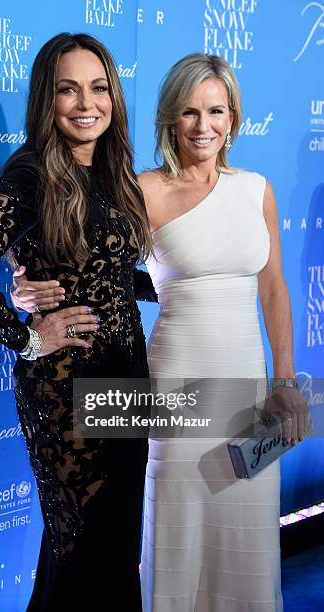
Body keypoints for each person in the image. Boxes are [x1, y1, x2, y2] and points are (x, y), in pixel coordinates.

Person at [0, 33, 156, 612]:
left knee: (113, 548)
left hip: (128, 380)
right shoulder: (33, 174)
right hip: (67, 390)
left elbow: (104, 270)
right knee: (85, 552)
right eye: (68, 90)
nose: (87, 103)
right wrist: (26, 334)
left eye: (99, 87)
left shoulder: (112, 172)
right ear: (47, 100)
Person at [137, 53, 308, 612]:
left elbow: (275, 290)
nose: (203, 126)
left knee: (245, 523)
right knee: (180, 519)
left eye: (215, 110)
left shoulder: (256, 189)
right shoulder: (144, 191)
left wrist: (285, 381)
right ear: (169, 120)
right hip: (176, 381)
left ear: (233, 116)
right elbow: (95, 271)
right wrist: (26, 286)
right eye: (189, 112)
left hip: (250, 386)